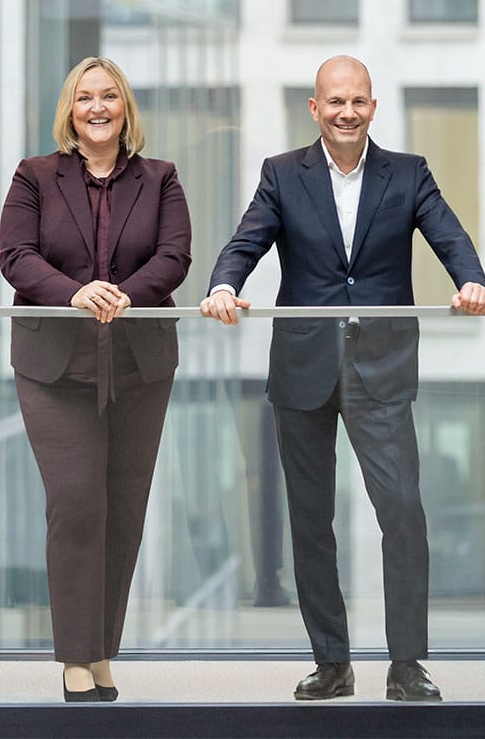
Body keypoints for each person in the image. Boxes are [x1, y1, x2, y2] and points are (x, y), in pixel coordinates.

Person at [201, 55, 485, 702]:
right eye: (335, 102)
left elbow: (451, 237)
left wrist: (472, 280)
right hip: (303, 367)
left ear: (373, 108)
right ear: (315, 108)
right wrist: (223, 286)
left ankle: (407, 664)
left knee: (404, 514)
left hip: (380, 366)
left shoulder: (408, 174)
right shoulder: (282, 175)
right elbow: (246, 242)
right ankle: (332, 663)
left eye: (358, 101)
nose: (347, 112)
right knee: (310, 521)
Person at [0, 56, 192, 702]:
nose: (98, 106)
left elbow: (175, 256)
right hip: (55, 368)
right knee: (77, 503)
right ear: (70, 109)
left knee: (123, 513)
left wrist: (123, 297)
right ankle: (76, 658)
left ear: (125, 108)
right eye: (86, 97)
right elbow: (14, 256)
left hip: (139, 365)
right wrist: (77, 293)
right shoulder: (34, 176)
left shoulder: (160, 178)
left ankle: (101, 652)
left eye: (110, 96)